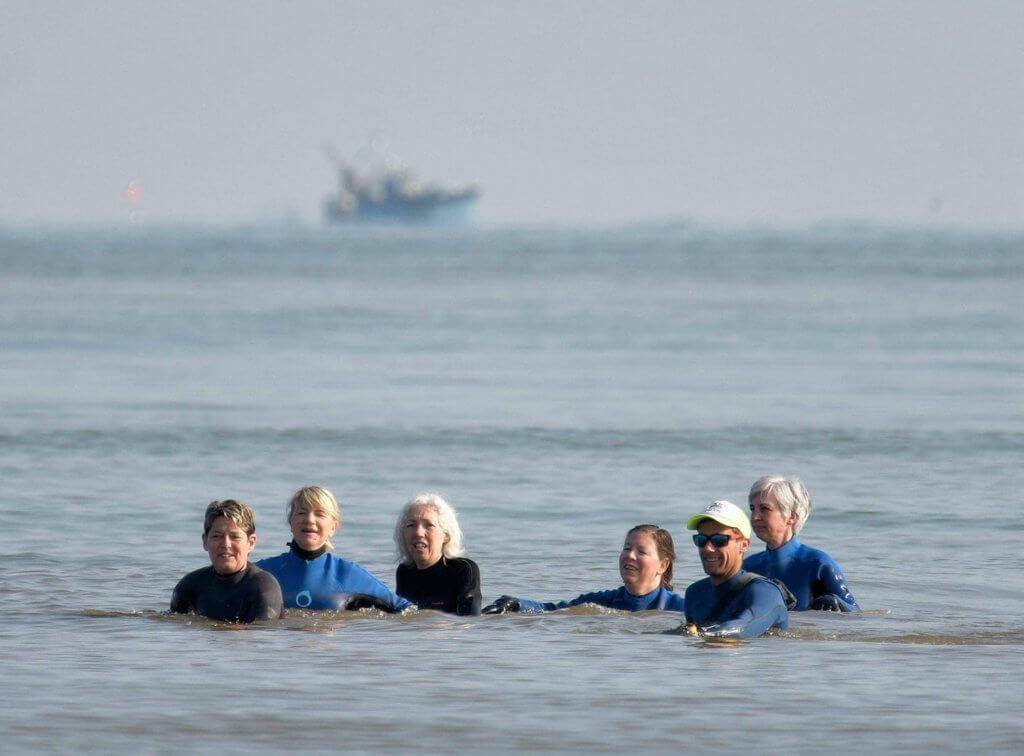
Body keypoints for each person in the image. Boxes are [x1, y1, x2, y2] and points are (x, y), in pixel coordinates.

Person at [256, 486, 412, 612]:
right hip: (280, 650)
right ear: (291, 521)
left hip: (328, 650)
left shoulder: (347, 573)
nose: (310, 520)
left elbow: (406, 610)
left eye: (320, 514)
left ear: (333, 526)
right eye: (302, 512)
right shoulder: (264, 572)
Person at [483, 524, 684, 614]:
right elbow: (553, 611)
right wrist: (515, 604)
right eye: (626, 548)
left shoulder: (682, 608)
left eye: (641, 552)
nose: (630, 555)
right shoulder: (603, 602)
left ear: (663, 564)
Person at [743, 475, 860, 612]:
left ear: (792, 517)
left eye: (764, 509)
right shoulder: (748, 567)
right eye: (752, 509)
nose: (755, 517)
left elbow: (856, 614)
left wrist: (838, 604)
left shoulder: (818, 564)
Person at [678, 500, 789, 639]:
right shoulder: (695, 593)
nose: (707, 548)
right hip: (706, 660)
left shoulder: (766, 593)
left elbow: (741, 629)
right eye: (701, 540)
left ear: (744, 545)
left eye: (719, 540)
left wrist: (699, 634)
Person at [170, 499, 283, 623]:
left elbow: (265, 634)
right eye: (217, 536)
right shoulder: (190, 585)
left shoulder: (264, 586)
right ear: (205, 541)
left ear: (251, 542)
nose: (225, 544)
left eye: (235, 537)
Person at [394, 492, 481, 615]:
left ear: (446, 535)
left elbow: (471, 621)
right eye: (411, 525)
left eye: (429, 525)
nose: (418, 532)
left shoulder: (463, 570)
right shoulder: (404, 572)